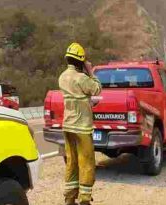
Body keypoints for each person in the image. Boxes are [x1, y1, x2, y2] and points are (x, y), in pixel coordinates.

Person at [59, 42, 102, 205]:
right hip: (82, 127)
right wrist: (90, 71)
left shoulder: (62, 77)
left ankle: (69, 198)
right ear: (81, 61)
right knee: (86, 161)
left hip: (67, 126)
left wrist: (85, 103)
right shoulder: (82, 78)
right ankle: (84, 199)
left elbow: (76, 97)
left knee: (72, 161)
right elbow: (97, 89)